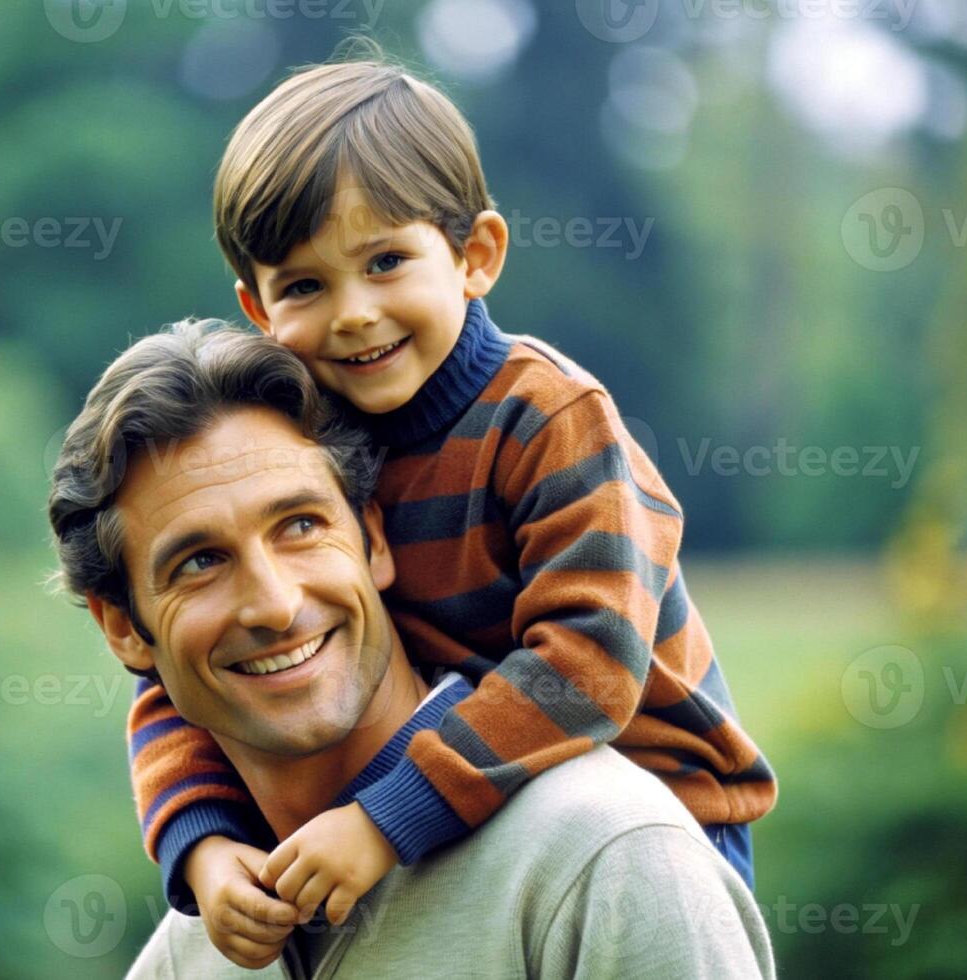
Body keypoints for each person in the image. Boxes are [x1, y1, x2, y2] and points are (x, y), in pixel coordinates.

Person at [127, 46, 778, 968]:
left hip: (643, 814)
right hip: (443, 804)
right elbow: (173, 682)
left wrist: (385, 821)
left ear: (475, 256)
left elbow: (589, 666)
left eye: (385, 261)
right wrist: (199, 843)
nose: (353, 313)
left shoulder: (549, 417)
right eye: (305, 286)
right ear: (256, 307)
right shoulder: (316, 442)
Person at [47, 321, 776, 977]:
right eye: (198, 562)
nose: (274, 604)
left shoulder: (606, 860)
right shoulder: (188, 959)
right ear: (121, 626)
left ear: (374, 538)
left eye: (300, 525)